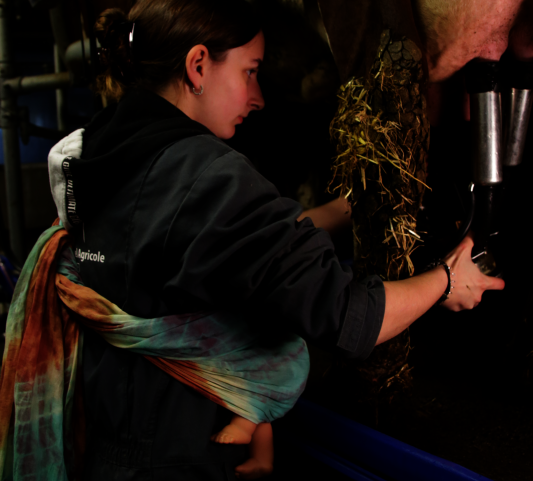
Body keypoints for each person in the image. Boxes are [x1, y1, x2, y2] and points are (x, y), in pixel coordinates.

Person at [47, 0, 505, 479]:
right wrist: (447, 281)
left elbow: (218, 240)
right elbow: (347, 315)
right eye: (250, 72)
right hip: (181, 453)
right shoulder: (208, 174)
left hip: (106, 440)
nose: (258, 97)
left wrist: (352, 206)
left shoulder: (95, 152)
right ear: (198, 65)